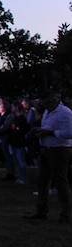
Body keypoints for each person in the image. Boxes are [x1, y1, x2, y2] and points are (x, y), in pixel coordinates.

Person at [25, 93, 72, 224]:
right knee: (42, 180)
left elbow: (69, 132)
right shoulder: (48, 111)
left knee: (60, 181)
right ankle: (41, 210)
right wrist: (40, 130)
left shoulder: (65, 113)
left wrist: (50, 132)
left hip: (59, 150)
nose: (44, 106)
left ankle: (65, 214)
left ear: (54, 100)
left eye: (46, 103)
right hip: (46, 149)